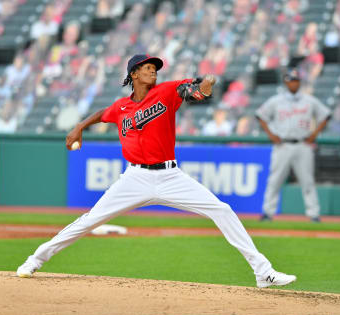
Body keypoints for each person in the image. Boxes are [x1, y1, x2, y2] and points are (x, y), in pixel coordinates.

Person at [16, 54, 296, 288]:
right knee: (90, 220)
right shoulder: (121, 107)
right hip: (134, 178)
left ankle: (263, 272)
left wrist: (205, 87)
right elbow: (103, 113)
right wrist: (79, 126)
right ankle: (36, 259)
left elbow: (192, 90)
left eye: (155, 68)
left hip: (170, 176)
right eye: (148, 68)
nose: (153, 71)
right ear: (134, 74)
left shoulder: (166, 92)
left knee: (221, 209)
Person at [255, 69, 331, 223]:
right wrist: (271, 135)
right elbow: (260, 115)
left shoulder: (309, 100)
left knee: (307, 181)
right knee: (275, 180)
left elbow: (326, 115)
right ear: (286, 82)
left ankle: (313, 214)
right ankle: (267, 213)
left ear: (299, 82)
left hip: (303, 144)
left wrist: (314, 134)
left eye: (296, 80)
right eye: (290, 80)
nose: (293, 83)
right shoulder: (276, 100)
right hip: (282, 145)